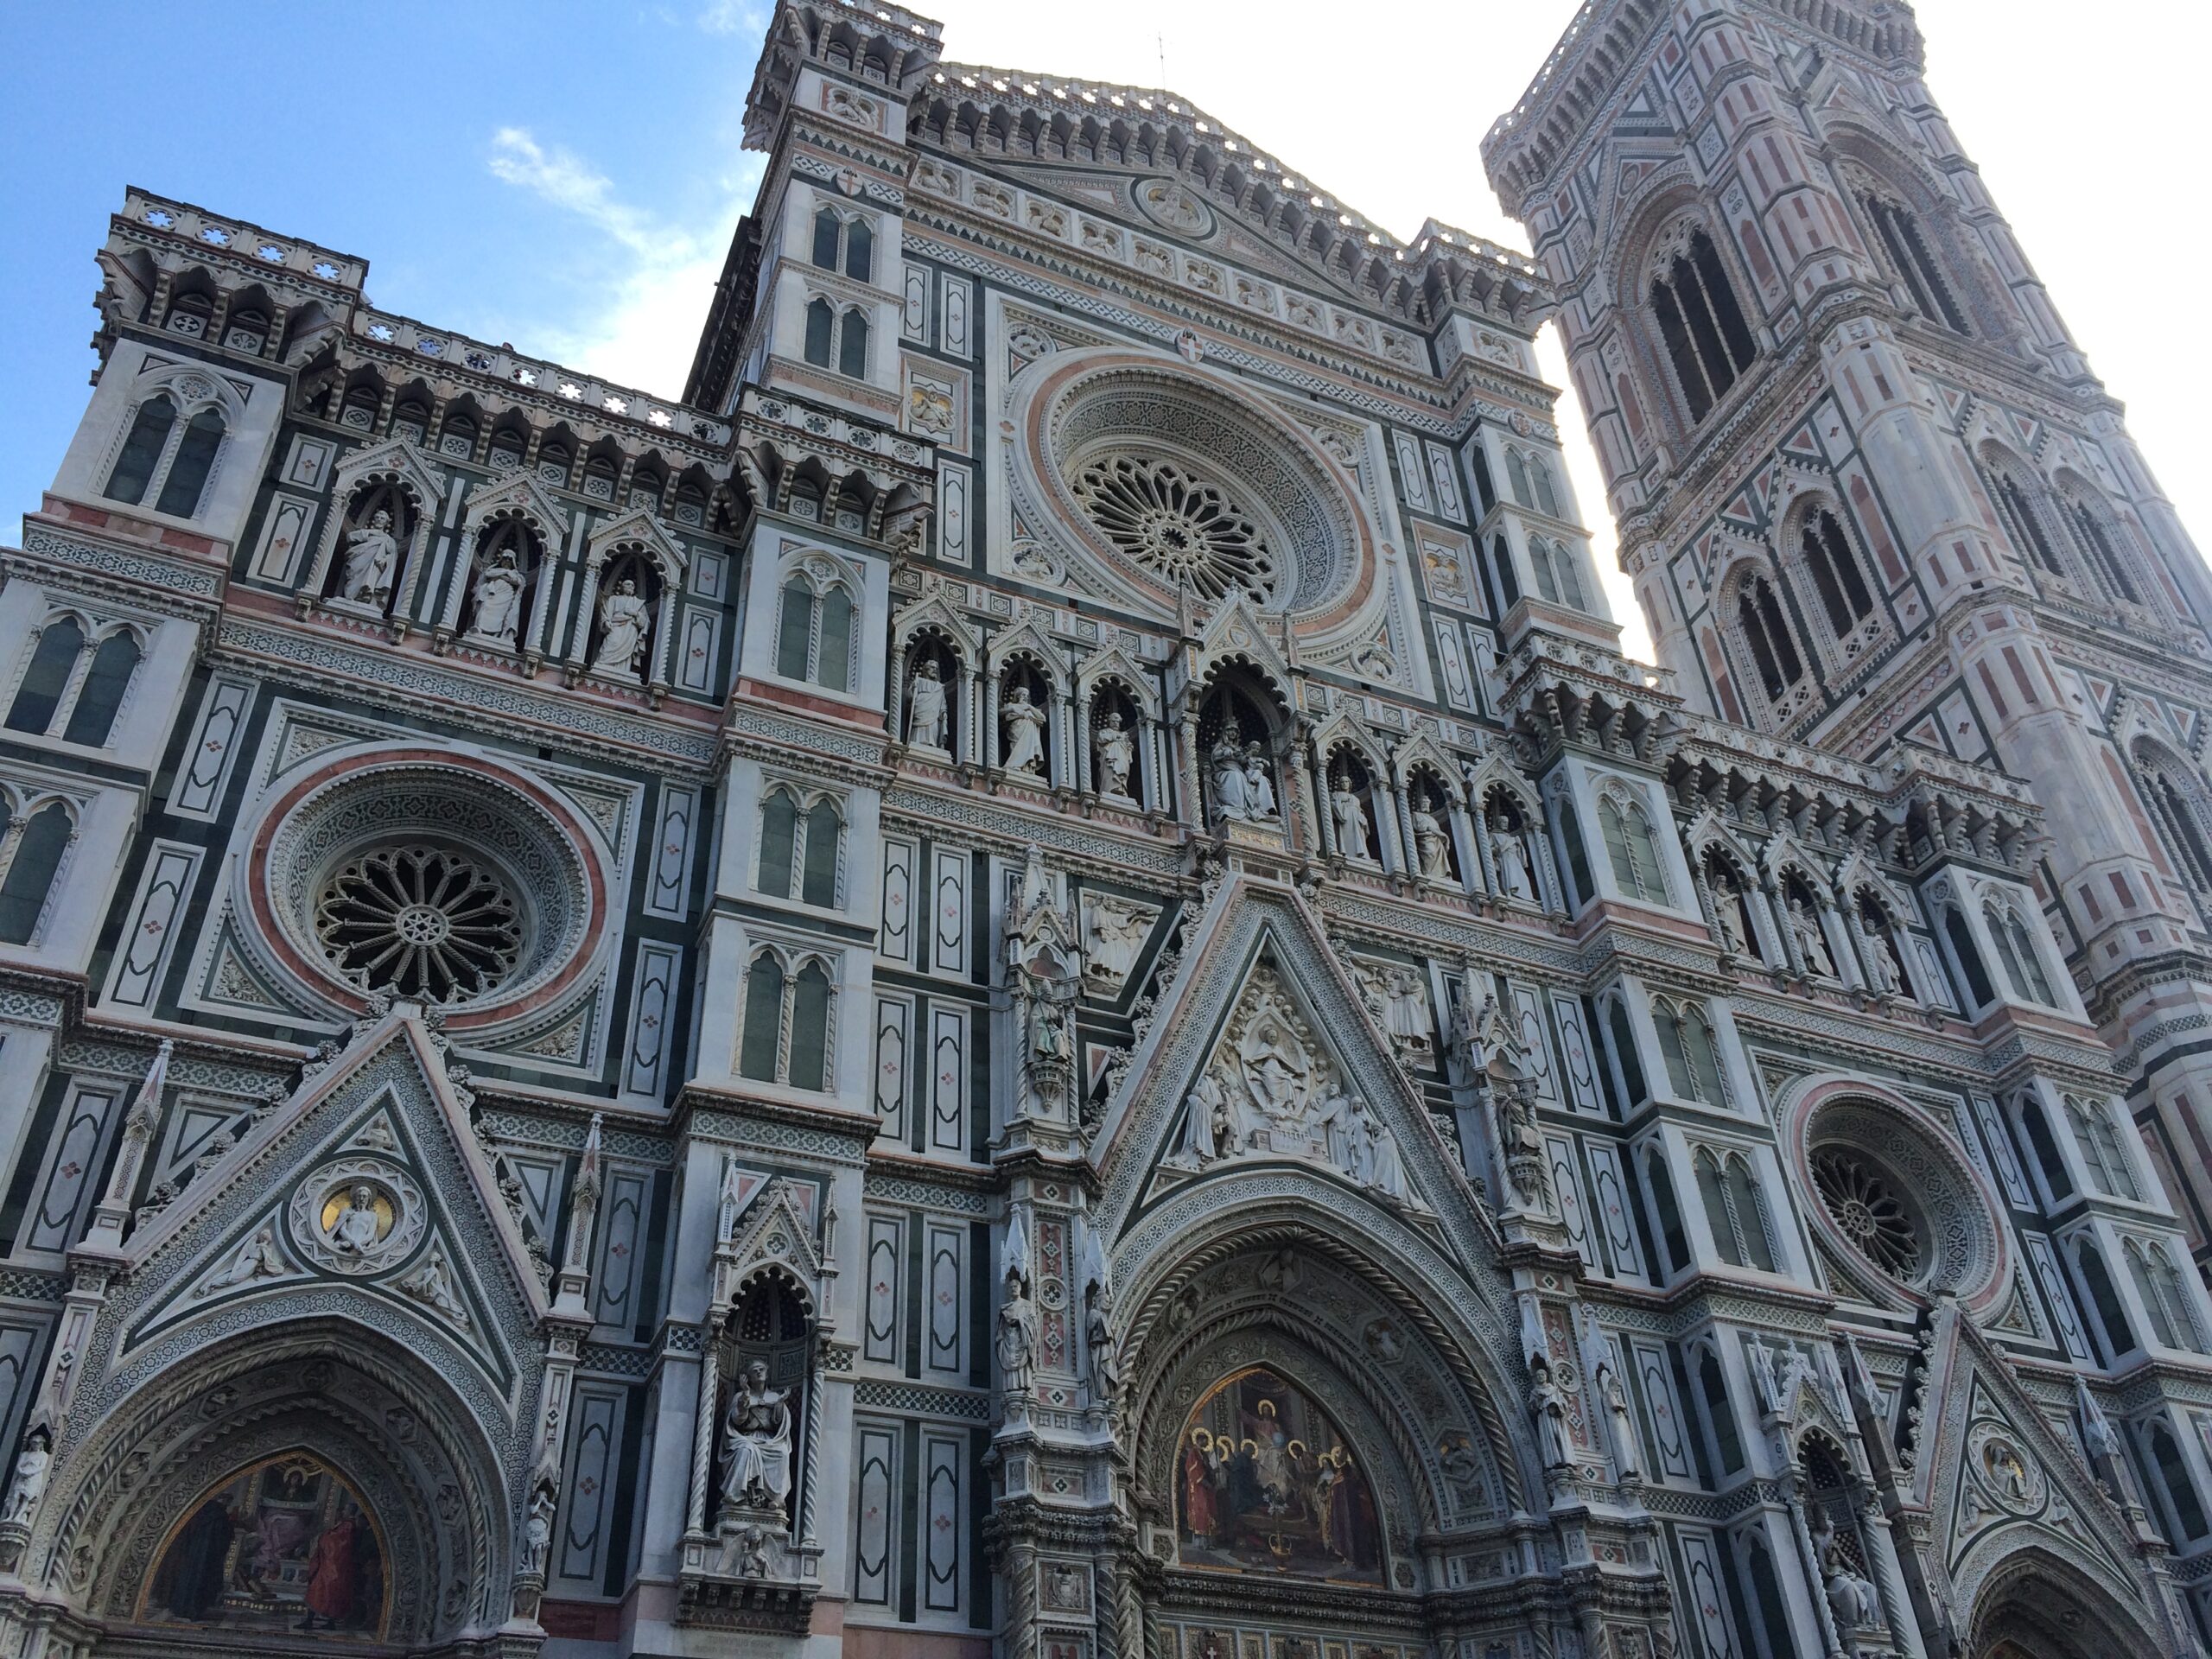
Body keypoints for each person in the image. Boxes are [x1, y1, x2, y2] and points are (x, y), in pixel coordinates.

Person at [719, 1362, 794, 1510]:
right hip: (746, 1437)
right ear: (748, 1378)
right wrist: (746, 1394)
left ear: (767, 1374)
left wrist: (779, 1405)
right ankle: (739, 1497)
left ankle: (775, 1498)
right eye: (755, 1371)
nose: (759, 1372)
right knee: (746, 1450)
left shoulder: (775, 1396)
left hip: (770, 1439)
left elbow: (779, 1423)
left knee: (783, 1453)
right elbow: (737, 1420)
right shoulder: (740, 1396)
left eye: (762, 1370)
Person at [299, 1509, 359, 1632]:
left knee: (323, 1594)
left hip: (334, 1568)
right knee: (318, 1593)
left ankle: (317, 1621)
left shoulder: (348, 1525)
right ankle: (312, 1621)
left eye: (345, 1510)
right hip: (329, 1566)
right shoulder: (343, 1524)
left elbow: (338, 1544)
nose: (342, 1512)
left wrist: (325, 1537)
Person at [591, 579, 649, 677]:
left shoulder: (638, 603)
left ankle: (623, 670)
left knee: (626, 654)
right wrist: (606, 622)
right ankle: (603, 665)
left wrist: (634, 613)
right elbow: (606, 613)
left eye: (632, 585)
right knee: (611, 643)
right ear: (622, 587)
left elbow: (645, 621)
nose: (630, 586)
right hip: (615, 627)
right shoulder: (614, 599)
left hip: (630, 630)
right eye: (627, 584)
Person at [340, 509, 398, 606]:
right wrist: (371, 533)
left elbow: (392, 556)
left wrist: (384, 560)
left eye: (382, 518)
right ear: (374, 520)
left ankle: (365, 596)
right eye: (377, 517)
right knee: (354, 578)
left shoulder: (389, 540)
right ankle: (349, 597)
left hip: (375, 565)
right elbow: (350, 536)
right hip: (359, 560)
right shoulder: (365, 532)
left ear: (387, 522)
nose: (379, 520)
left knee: (370, 581)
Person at [468, 549, 525, 645]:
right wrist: (506, 573)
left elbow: (517, 582)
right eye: (505, 559)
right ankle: (479, 628)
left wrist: (501, 576)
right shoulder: (494, 570)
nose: (507, 561)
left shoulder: (515, 573)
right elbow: (488, 574)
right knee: (484, 607)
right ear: (501, 560)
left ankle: (497, 635)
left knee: (502, 617)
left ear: (513, 562)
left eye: (509, 559)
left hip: (505, 597)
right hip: (492, 595)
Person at [1001, 684, 1046, 773]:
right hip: (1017, 729)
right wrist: (1014, 709)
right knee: (1016, 745)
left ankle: (1026, 767)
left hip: (1029, 731)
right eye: (1023, 695)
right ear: (1017, 696)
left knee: (1028, 747)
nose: (1025, 697)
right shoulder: (1012, 705)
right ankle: (1015, 765)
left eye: (1026, 695)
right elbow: (1000, 712)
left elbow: (1043, 718)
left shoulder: (1030, 708)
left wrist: (1030, 708)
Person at [907, 658, 949, 749]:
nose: (935, 670)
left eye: (936, 669)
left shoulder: (939, 687)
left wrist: (943, 712)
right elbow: (909, 697)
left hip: (934, 714)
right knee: (918, 731)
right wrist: (913, 688)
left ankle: (932, 744)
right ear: (926, 669)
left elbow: (943, 702)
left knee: (932, 731)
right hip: (921, 711)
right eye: (932, 667)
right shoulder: (919, 681)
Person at [1094, 709, 1135, 798]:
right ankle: (1109, 788)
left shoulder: (1124, 734)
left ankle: (1120, 789)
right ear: (1109, 722)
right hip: (1109, 756)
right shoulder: (1104, 732)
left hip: (1122, 757)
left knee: (1122, 771)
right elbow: (1101, 740)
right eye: (1113, 721)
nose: (1116, 723)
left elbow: (1129, 745)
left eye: (1118, 721)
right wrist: (1115, 736)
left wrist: (1129, 752)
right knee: (1110, 771)